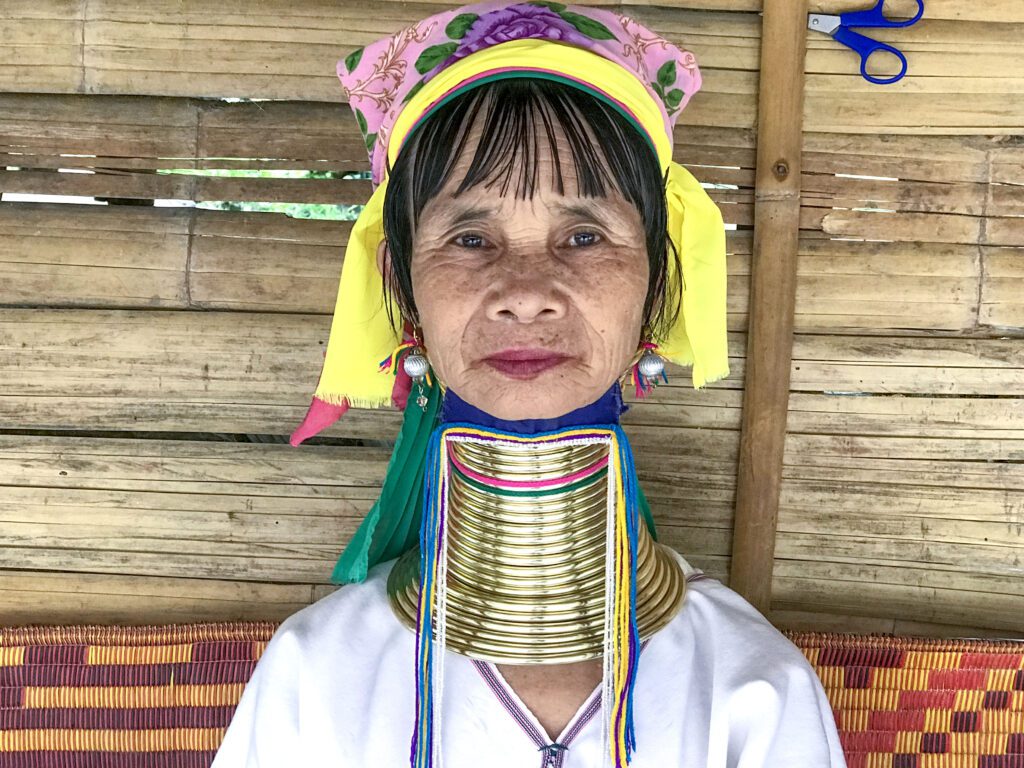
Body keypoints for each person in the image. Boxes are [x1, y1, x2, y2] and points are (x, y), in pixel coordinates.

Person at [211, 2, 848, 766]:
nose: (526, 290)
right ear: (402, 289)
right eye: (470, 238)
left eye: (583, 236)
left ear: (659, 284)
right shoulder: (316, 675)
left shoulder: (749, 686)